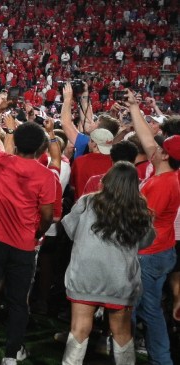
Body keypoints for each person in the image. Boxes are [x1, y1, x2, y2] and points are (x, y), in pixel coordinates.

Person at [0, 97, 56, 365]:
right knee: (18, 302)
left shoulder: (0, 160)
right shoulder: (46, 176)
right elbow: (47, 215)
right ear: (42, 147)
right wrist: (36, 233)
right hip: (23, 245)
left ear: (15, 143)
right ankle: (10, 355)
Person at [61, 162, 155, 364]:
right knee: (121, 333)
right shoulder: (140, 212)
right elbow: (145, 242)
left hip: (85, 275)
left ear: (107, 179)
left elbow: (70, 230)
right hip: (120, 279)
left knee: (78, 329)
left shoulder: (87, 202)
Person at [127, 90, 180, 364]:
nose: (154, 147)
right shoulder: (169, 173)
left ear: (164, 155)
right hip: (162, 248)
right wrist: (135, 109)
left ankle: (157, 358)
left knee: (141, 309)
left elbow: (141, 219)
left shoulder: (162, 184)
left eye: (160, 147)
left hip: (149, 253)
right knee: (148, 308)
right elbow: (148, 139)